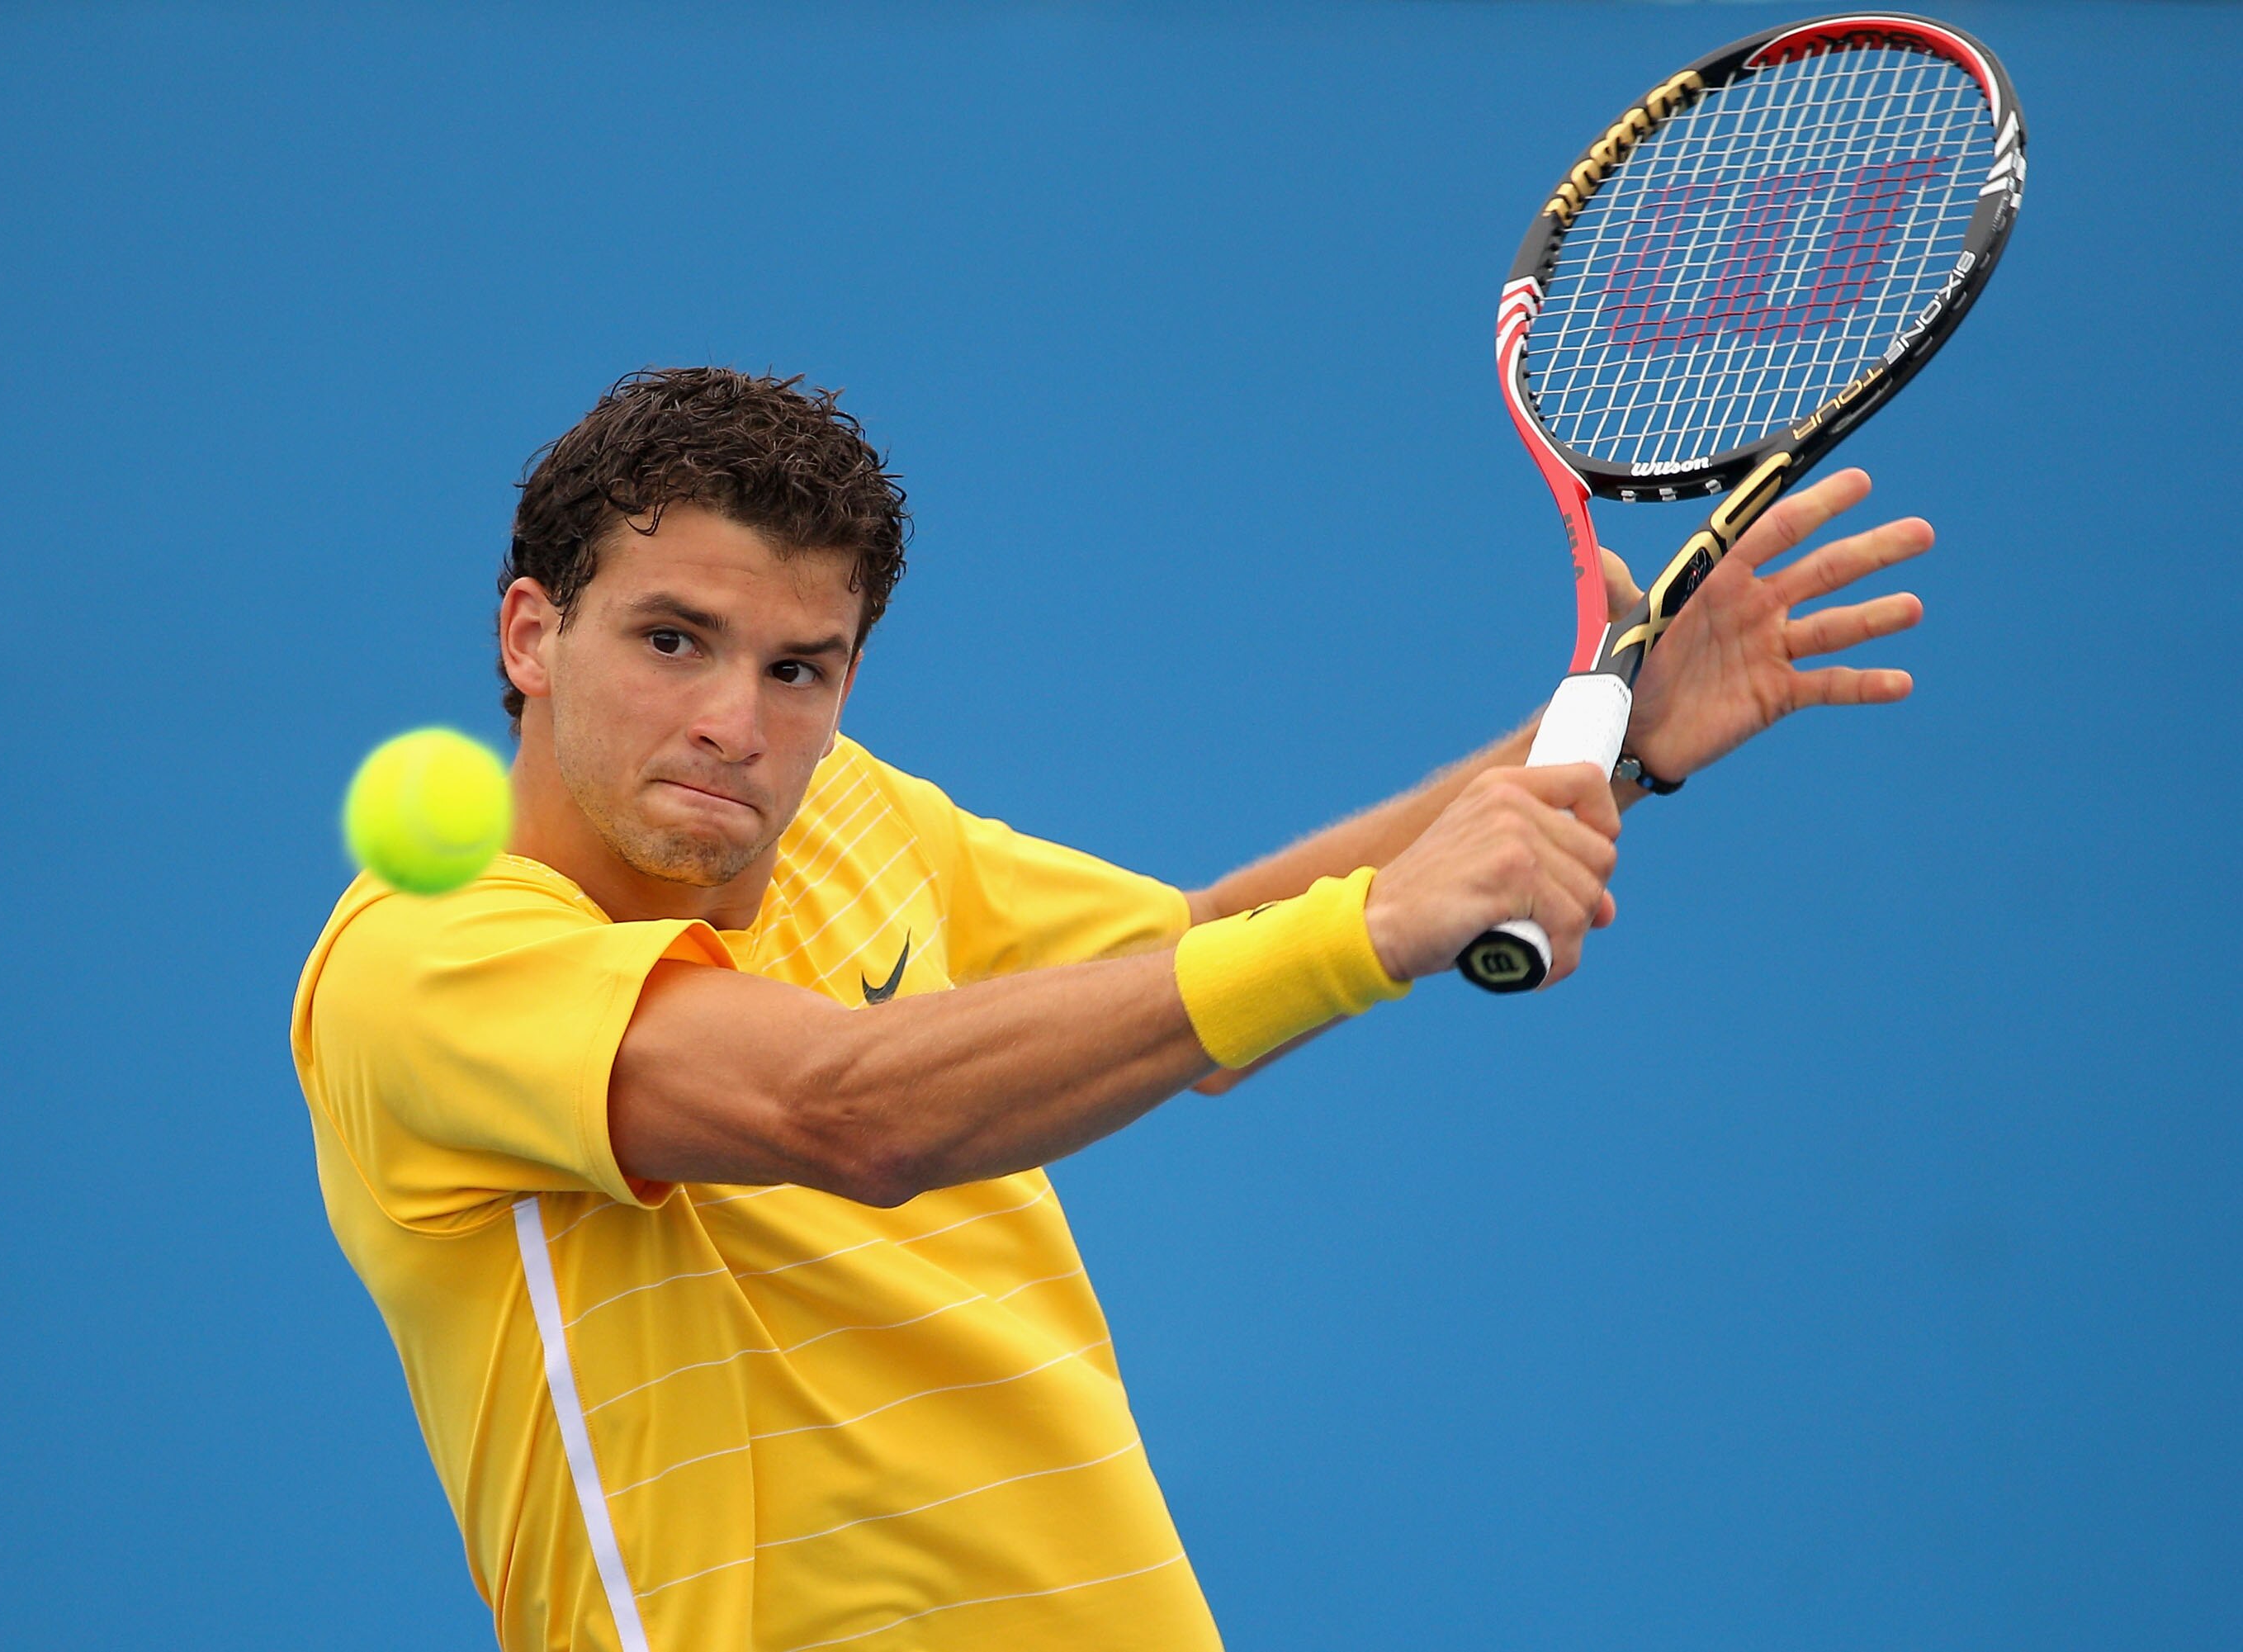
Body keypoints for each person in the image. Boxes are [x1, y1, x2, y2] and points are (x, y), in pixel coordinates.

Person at [290, 367, 1928, 1650]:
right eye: (673, 639)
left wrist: (1592, 747)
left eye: (800, 666)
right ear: (531, 634)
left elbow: (1192, 953)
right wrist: (1377, 923)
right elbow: (841, 1107)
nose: (737, 719)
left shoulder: (854, 813)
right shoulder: (428, 958)